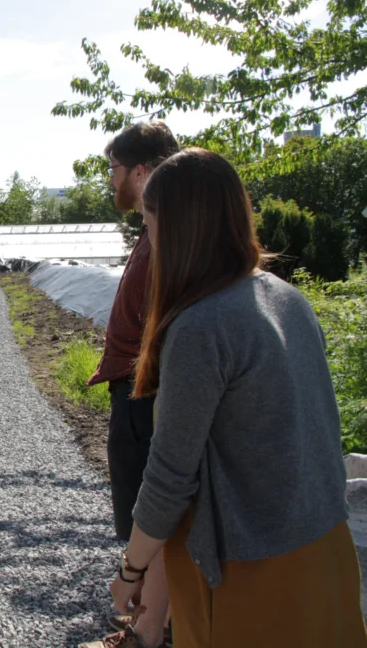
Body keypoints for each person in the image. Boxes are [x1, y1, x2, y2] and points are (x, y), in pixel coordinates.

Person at [108, 148, 366, 647]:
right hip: (326, 549)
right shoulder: (284, 296)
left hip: (251, 572)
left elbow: (168, 478)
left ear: (174, 226)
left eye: (149, 219)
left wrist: (132, 571)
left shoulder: (202, 326)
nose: (149, 235)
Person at [81, 122, 178, 648]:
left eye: (114, 170)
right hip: (138, 390)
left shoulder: (167, 234)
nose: (111, 180)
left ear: (141, 172)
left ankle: (147, 633)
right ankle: (153, 622)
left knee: (155, 519)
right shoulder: (153, 228)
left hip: (149, 393)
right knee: (150, 516)